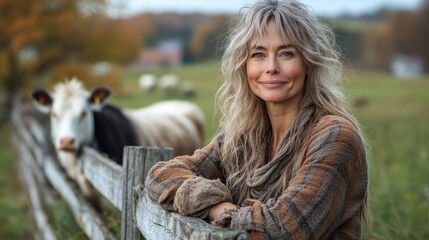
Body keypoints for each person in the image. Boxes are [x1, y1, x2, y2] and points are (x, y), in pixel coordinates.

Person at [145, 0, 368, 239]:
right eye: (258, 54)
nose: (271, 67)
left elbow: (282, 230)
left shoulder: (335, 137)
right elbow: (160, 177)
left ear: (309, 63)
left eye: (286, 53)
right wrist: (216, 206)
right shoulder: (241, 138)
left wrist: (215, 212)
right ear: (245, 65)